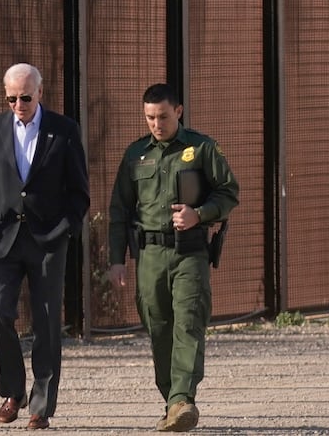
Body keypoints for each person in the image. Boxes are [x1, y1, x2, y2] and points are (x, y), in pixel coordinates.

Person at [107, 83, 239, 432]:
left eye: (163, 116)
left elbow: (229, 192)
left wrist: (200, 214)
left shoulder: (201, 148)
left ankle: (183, 399)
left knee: (188, 322)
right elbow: (119, 210)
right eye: (150, 117)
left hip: (189, 251)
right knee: (159, 328)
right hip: (149, 254)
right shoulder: (136, 154)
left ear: (178, 111)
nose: (156, 124)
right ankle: (172, 401)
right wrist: (116, 259)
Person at [0, 63, 90, 430]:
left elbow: (78, 190)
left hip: (48, 240)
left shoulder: (64, 130)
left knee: (47, 322)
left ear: (40, 93)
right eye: (11, 98)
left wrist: (66, 229)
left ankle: (41, 405)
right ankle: (13, 391)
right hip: (3, 237)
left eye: (25, 97)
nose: (18, 105)